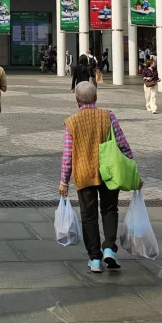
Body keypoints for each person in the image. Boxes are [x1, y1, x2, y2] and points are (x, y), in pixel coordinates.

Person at [58, 81, 138, 273]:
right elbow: (122, 144)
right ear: (96, 98)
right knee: (110, 209)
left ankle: (94, 259)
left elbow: (68, 154)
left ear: (77, 99)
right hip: (109, 172)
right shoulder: (107, 116)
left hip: (84, 173)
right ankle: (109, 247)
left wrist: (64, 180)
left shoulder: (72, 122)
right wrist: (133, 168)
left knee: (88, 215)